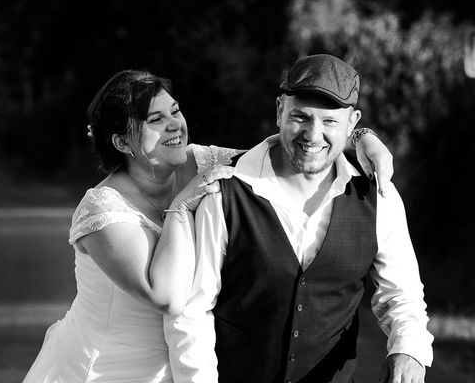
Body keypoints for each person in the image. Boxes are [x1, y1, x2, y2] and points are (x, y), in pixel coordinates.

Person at [22, 69, 395, 383]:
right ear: (121, 141)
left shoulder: (202, 161)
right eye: (155, 120)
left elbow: (288, 149)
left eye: (175, 111)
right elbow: (165, 295)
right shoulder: (102, 210)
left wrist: (362, 138)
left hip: (180, 365)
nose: (175, 125)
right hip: (109, 368)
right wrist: (181, 206)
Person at [165, 54, 433, 383]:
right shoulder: (226, 191)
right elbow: (192, 311)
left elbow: (401, 296)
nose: (313, 134)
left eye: (329, 122)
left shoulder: (379, 199)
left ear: (353, 124)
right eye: (300, 117)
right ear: (280, 110)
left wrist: (408, 350)